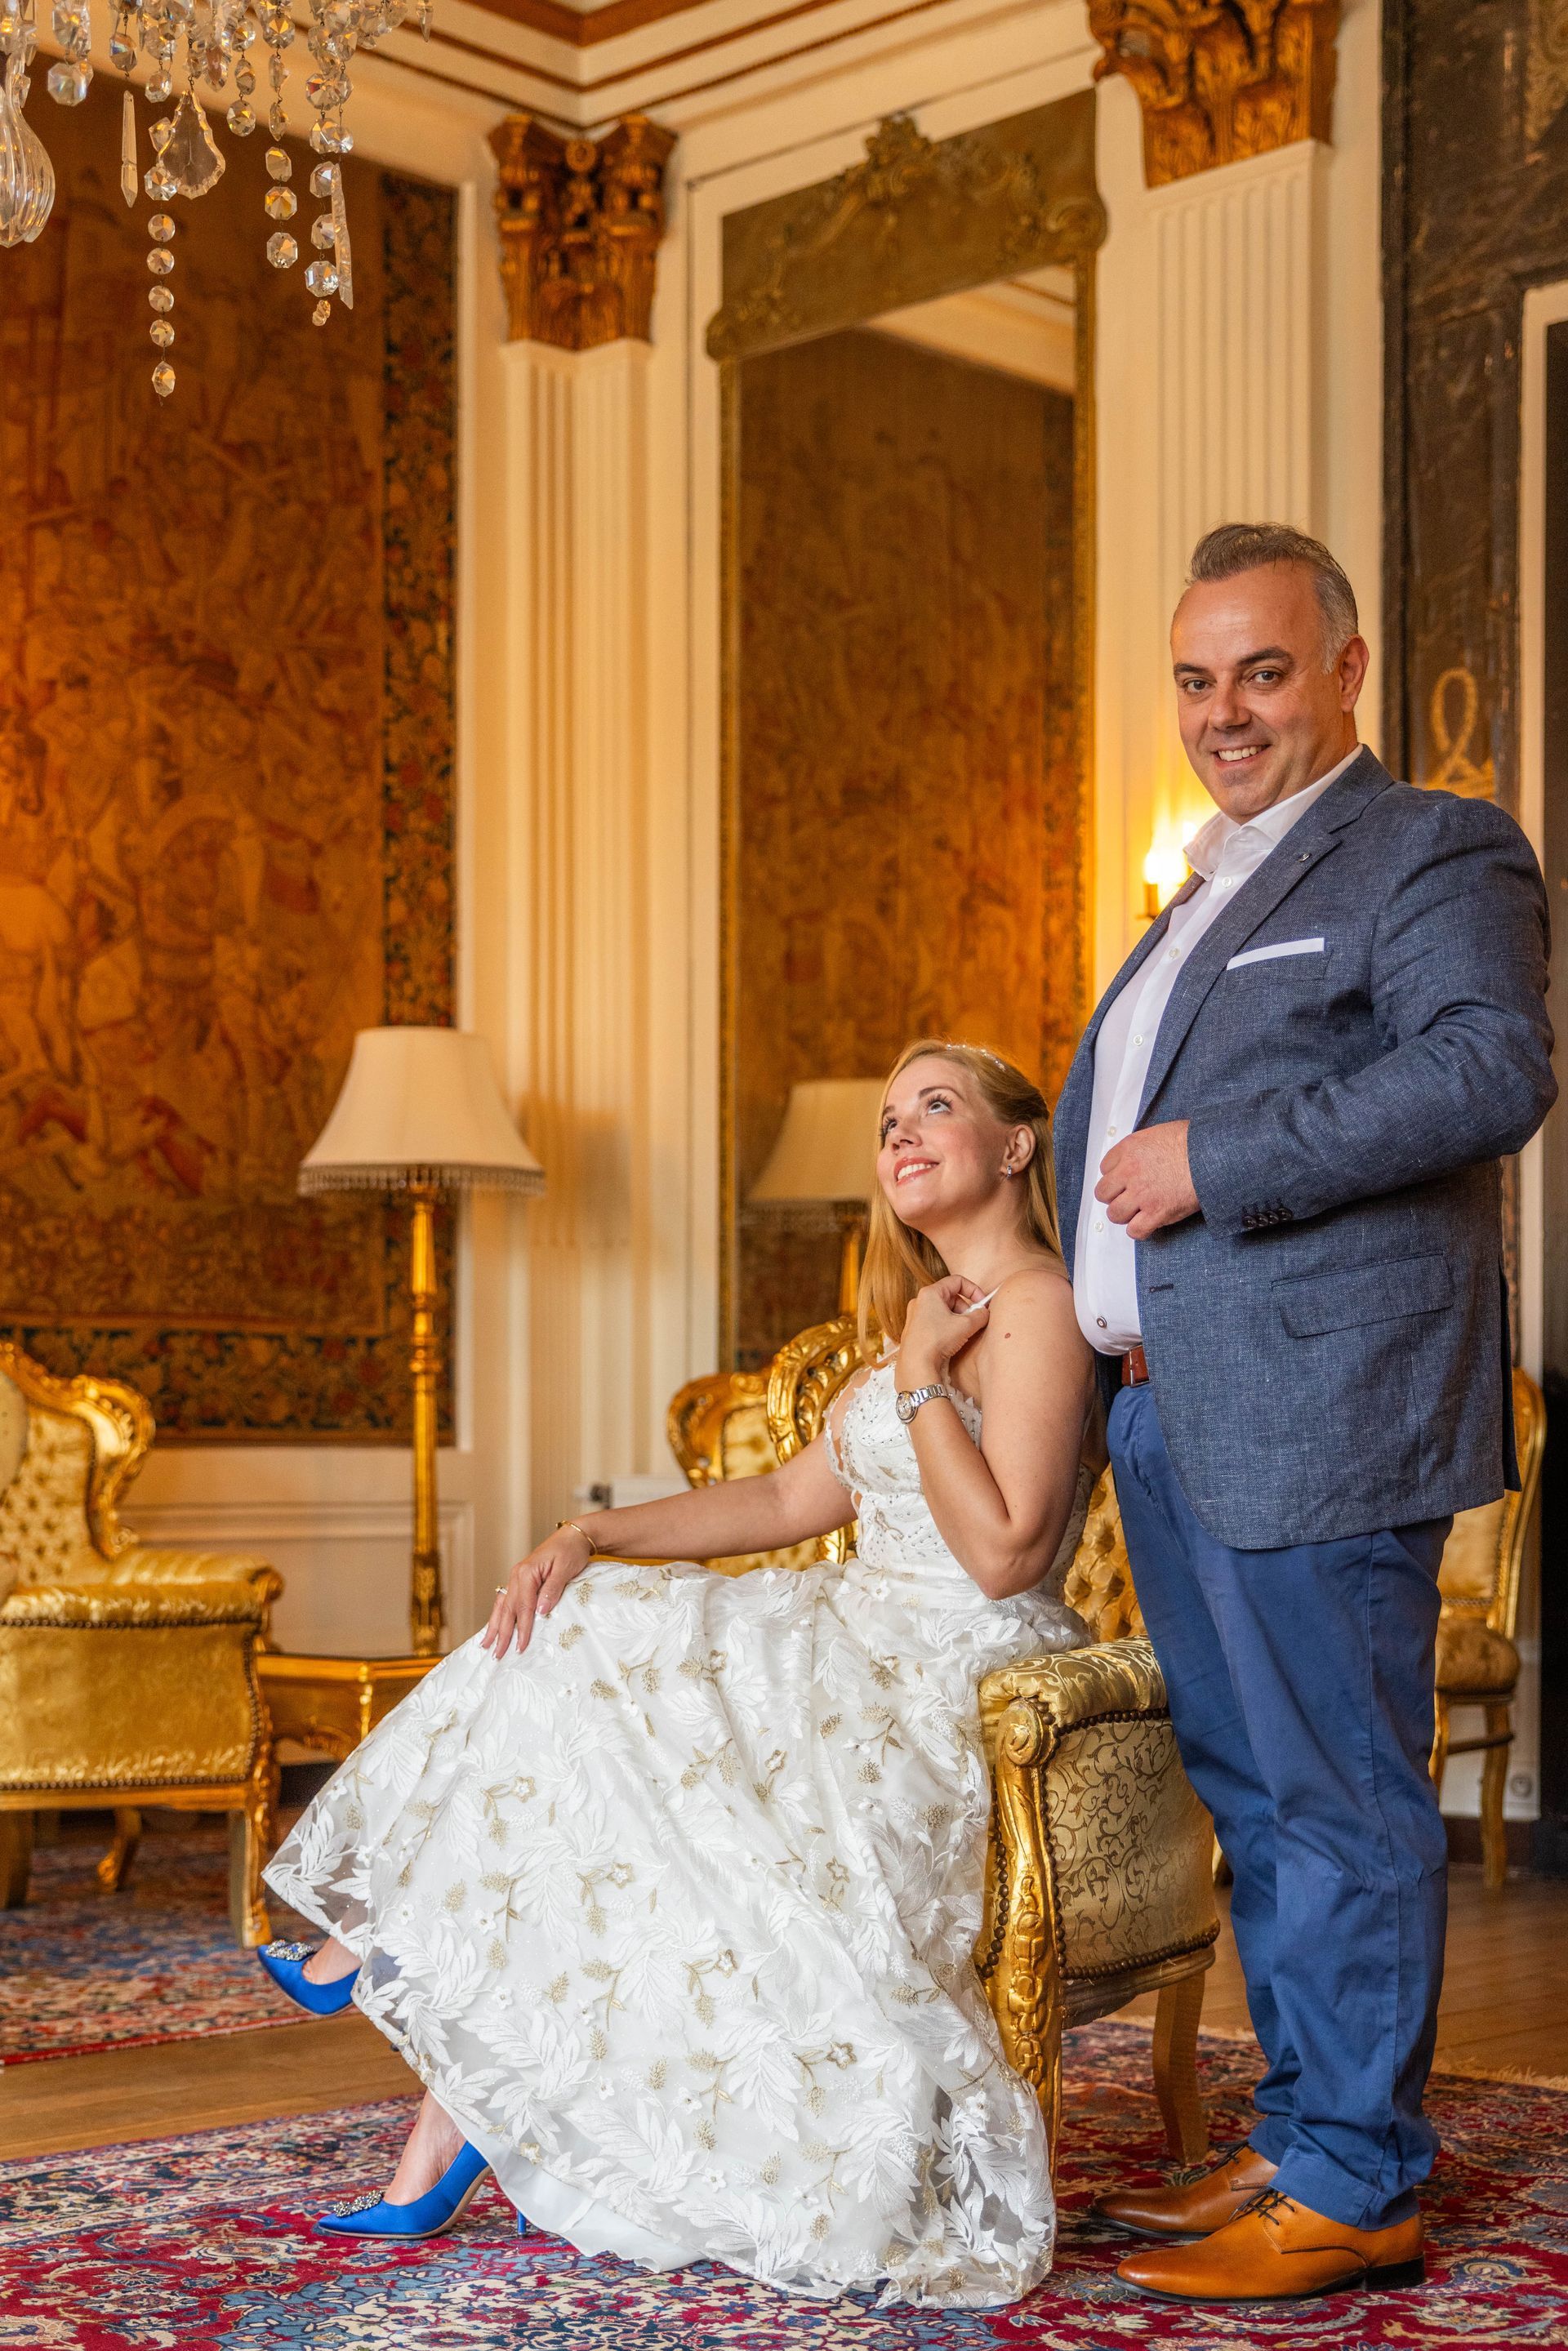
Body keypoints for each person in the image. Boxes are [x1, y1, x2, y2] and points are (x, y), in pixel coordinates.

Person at [261, 1040, 1097, 2309]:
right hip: (847, 1635)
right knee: (584, 1639)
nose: (903, 1135)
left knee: (620, 1706)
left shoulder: (1033, 1306)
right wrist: (585, 1532)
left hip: (947, 1677)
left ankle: (395, 1981)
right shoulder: (917, 1324)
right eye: (888, 1121)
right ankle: (429, 2083)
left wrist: (925, 1377)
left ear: (1016, 1145)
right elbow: (776, 1497)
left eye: (936, 1108)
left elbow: (1003, 1556)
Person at [1054, 522, 1555, 2304]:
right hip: (1174, 1415)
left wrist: (1221, 1157)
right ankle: (1301, 2132)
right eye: (1196, 679)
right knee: (1257, 1799)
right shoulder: (1197, 892)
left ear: (1345, 669)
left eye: (1262, 671)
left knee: (1339, 1795)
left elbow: (1491, 1069)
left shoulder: (1431, 847)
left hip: (1327, 1410)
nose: (1224, 710)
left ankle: (1357, 2180)